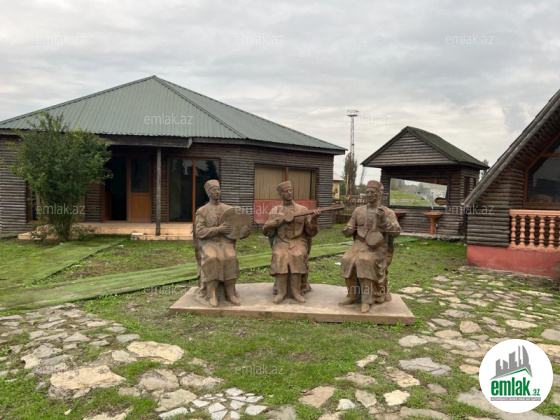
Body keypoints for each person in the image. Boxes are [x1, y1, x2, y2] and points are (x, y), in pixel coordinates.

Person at [339, 180, 401, 313]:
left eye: (372, 192)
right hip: (359, 244)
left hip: (377, 247)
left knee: (365, 261)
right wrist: (347, 230)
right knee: (347, 259)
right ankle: (352, 295)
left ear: (379, 194)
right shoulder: (358, 210)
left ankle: (367, 300)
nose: (369, 194)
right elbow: (350, 226)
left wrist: (384, 220)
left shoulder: (387, 212)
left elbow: (396, 232)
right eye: (367, 192)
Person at [263, 181, 321, 304]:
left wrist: (314, 220)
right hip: (281, 241)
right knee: (279, 255)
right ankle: (281, 292)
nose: (289, 193)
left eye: (290, 190)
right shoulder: (275, 210)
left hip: (298, 241)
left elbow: (311, 232)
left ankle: (296, 291)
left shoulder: (302, 209)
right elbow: (266, 231)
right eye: (286, 191)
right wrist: (270, 225)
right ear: (280, 194)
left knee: (297, 254)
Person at [195, 180, 249, 307]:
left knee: (230, 257)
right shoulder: (202, 211)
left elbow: (236, 228)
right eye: (214, 190)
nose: (217, 192)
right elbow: (199, 231)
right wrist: (218, 229)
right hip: (209, 242)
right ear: (208, 193)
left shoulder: (229, 209)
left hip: (226, 243)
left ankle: (230, 293)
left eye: (218, 189)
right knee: (212, 257)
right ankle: (212, 294)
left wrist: (244, 232)